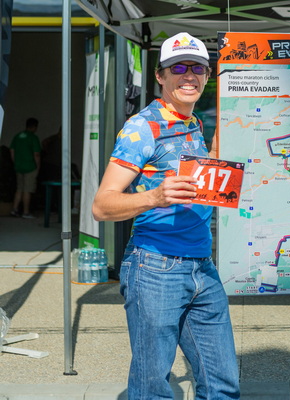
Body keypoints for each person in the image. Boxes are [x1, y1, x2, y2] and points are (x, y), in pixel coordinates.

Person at [92, 32, 240, 399]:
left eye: (198, 68)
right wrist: (154, 197)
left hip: (201, 265)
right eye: (178, 68)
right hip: (155, 267)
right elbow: (102, 205)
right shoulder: (142, 128)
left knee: (222, 385)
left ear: (207, 76)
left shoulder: (194, 123)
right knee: (152, 387)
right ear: (160, 76)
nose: (189, 75)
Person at [10, 117, 41, 218]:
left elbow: (12, 150)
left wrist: (16, 162)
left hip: (19, 166)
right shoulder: (33, 138)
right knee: (27, 190)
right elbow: (36, 154)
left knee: (19, 189)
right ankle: (26, 212)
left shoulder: (17, 136)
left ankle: (14, 209)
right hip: (30, 167)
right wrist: (38, 166)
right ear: (34, 127)